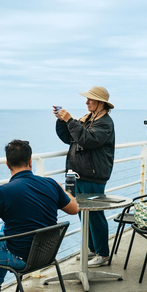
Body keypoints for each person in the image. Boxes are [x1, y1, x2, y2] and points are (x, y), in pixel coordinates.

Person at [0, 140, 79, 292]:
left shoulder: (2, 192)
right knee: (7, 227)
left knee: (3, 232)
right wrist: (64, 191)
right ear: (30, 161)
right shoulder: (51, 184)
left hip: (20, 259)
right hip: (46, 255)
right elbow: (74, 209)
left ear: (7, 164)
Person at [55, 86, 115, 267]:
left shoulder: (105, 123)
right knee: (83, 213)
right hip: (78, 174)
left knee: (95, 215)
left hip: (93, 175)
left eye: (90, 99)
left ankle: (103, 254)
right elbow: (69, 138)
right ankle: (92, 248)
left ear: (101, 103)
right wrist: (61, 121)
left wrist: (70, 120)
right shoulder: (88, 119)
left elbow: (88, 140)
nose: (87, 102)